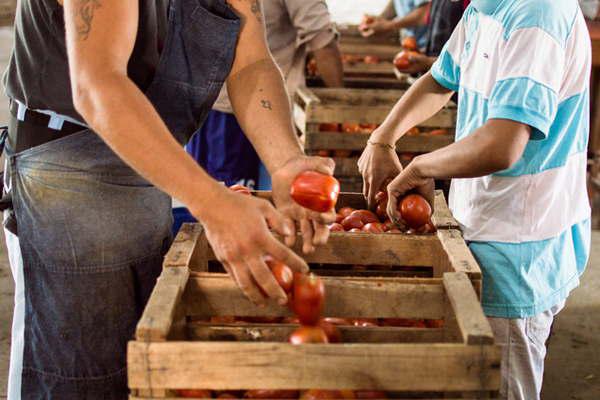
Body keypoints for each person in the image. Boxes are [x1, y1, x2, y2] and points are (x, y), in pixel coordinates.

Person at [2, 0, 335, 398]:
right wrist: (212, 202)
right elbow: (98, 84)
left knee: (135, 364)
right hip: (66, 177)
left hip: (150, 167)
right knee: (74, 375)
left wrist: (285, 162)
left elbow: (250, 63)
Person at [359, 1, 591, 399]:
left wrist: (421, 168)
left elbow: (503, 142)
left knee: (498, 383)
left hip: (517, 246)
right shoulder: (486, 6)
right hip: (483, 227)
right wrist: (383, 136)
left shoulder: (537, 14)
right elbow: (440, 79)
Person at [186, 0, 343, 189]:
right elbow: (322, 41)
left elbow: (250, 60)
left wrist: (285, 163)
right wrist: (341, 107)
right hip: (226, 109)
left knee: (226, 195)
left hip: (246, 104)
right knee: (220, 196)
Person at [394, 0, 469, 75]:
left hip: (452, 79)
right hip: (437, 72)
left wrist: (428, 62)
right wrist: (420, 54)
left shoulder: (472, 6)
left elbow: (469, 60)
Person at [359, 0, 430, 49]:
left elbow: (424, 14)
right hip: (411, 44)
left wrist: (388, 25)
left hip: (428, 46)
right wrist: (380, 19)